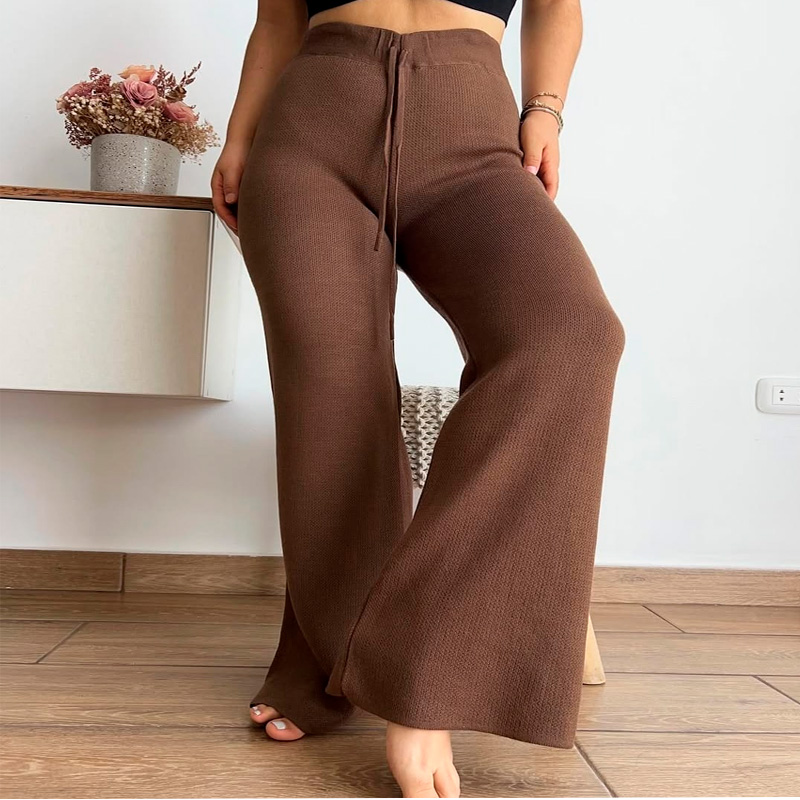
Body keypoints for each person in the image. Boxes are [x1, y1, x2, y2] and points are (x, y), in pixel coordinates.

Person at [212, 0, 625, 796]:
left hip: (473, 132)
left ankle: (424, 666)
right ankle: (326, 659)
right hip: (311, 130)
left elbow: (557, 7)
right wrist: (239, 139)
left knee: (571, 333)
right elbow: (277, 19)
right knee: (332, 403)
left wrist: (545, 110)